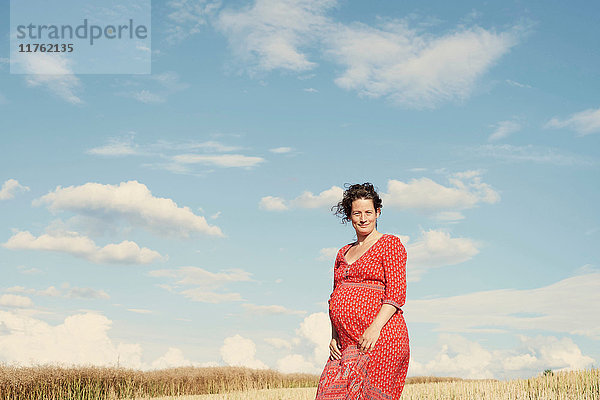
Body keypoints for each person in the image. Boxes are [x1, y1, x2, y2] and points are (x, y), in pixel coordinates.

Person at [315, 183, 409, 400]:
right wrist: (334, 335)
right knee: (328, 394)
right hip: (346, 343)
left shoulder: (389, 244)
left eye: (368, 212)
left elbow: (396, 293)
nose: (363, 218)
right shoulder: (342, 252)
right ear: (349, 215)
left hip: (380, 338)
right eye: (357, 213)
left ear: (378, 212)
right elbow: (335, 296)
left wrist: (374, 328)